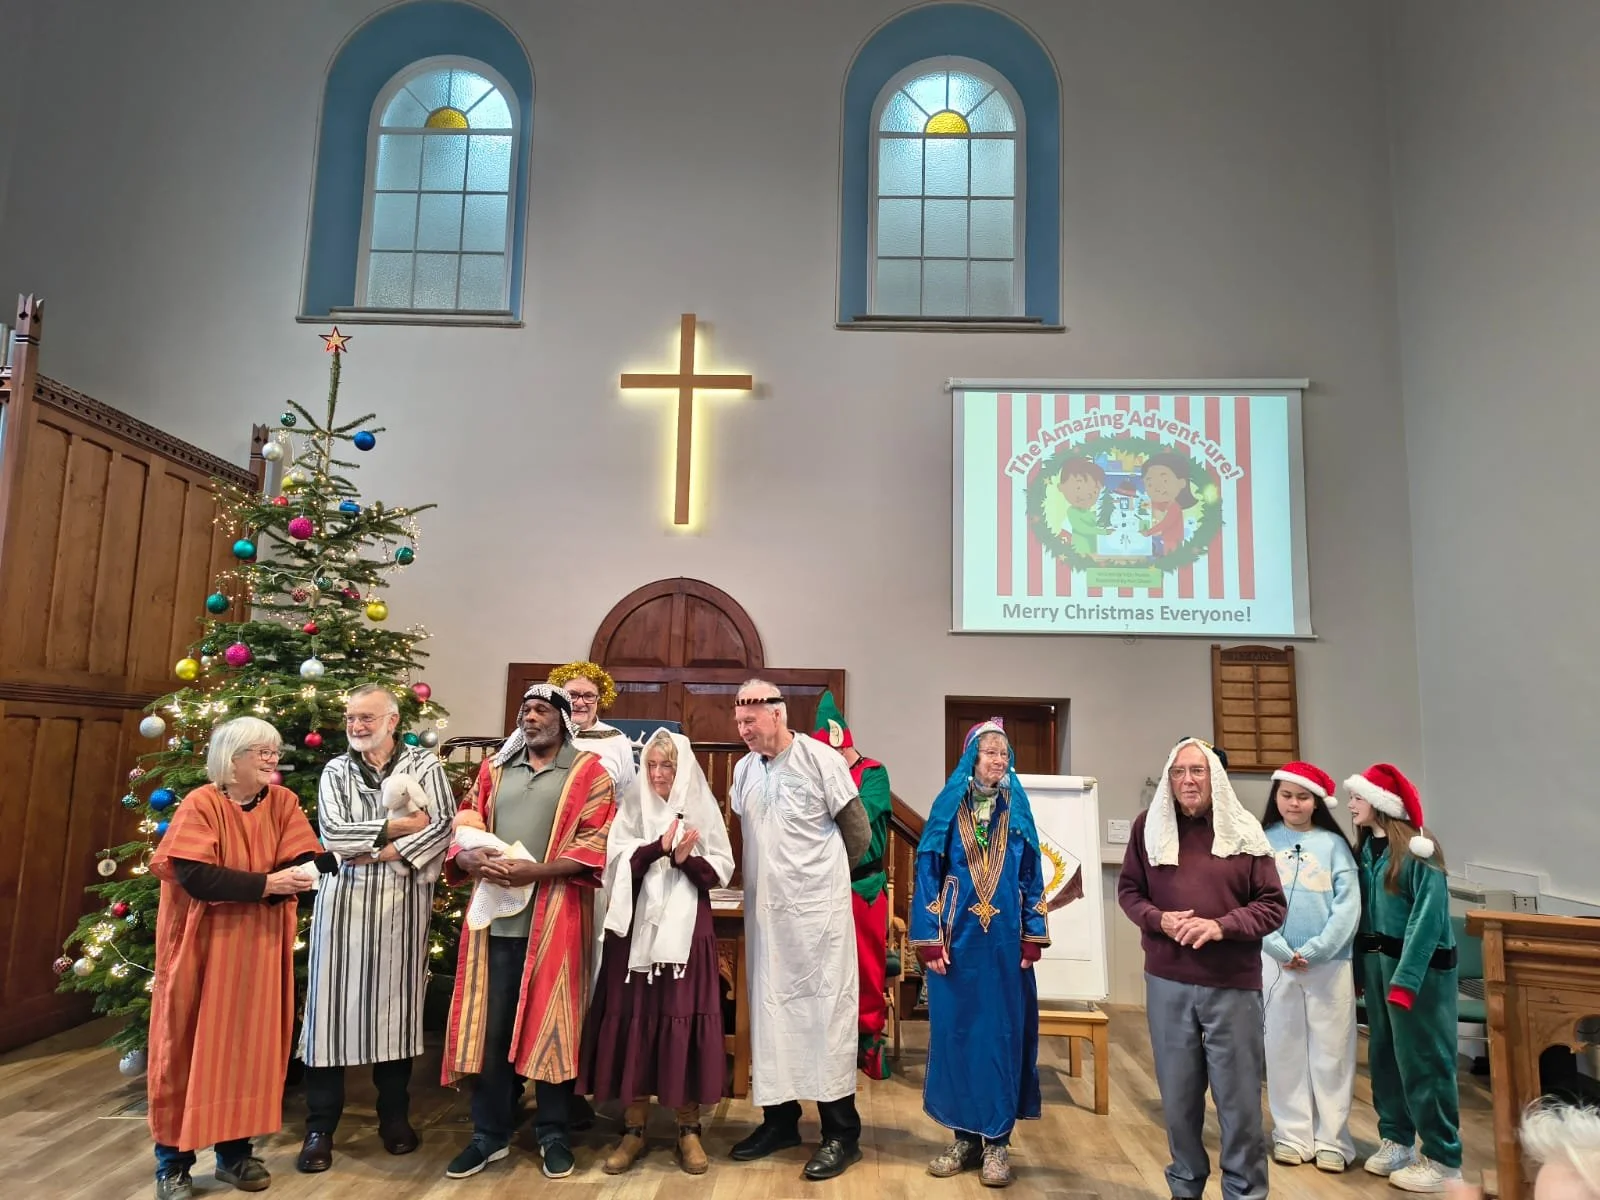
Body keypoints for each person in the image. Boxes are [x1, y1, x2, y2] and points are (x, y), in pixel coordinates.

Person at [439, 684, 616, 1181]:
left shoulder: (589, 774)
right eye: (524, 710)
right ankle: (489, 1134)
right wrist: (469, 856)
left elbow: (595, 841)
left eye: (541, 710)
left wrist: (532, 873)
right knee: (492, 1030)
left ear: (562, 719)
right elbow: (466, 820)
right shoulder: (494, 769)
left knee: (554, 1023)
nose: (530, 717)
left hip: (557, 918)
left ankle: (554, 1131)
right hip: (494, 921)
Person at [147, 717, 326, 1200]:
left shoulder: (284, 802)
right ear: (232, 759)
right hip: (201, 949)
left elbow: (299, 860)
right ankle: (173, 1164)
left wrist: (325, 863)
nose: (272, 759)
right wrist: (268, 884)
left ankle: (234, 1155)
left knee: (247, 1050)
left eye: (273, 751)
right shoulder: (201, 804)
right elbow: (197, 878)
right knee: (184, 1046)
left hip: (258, 950)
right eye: (261, 752)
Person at [1116, 736, 1286, 1200]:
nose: (1188, 781)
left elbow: (1272, 907)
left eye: (1198, 771)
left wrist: (1221, 926)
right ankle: (1185, 1188)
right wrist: (1160, 919)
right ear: (1168, 780)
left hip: (1231, 985)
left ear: (1216, 778)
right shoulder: (1146, 828)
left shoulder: (1246, 830)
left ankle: (1244, 1192)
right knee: (1178, 1099)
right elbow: (1130, 891)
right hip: (1168, 981)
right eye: (1178, 772)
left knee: (1240, 1104)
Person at [296, 684, 457, 1172]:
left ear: (392, 721)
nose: (357, 726)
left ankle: (394, 1118)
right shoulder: (335, 770)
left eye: (367, 717)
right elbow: (334, 834)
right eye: (350, 718)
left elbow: (443, 824)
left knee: (394, 1014)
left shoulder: (425, 766)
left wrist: (380, 850)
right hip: (342, 907)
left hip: (402, 910)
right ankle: (320, 1127)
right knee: (328, 1016)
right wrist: (397, 829)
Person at [728, 680, 871, 1181]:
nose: (743, 730)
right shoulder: (745, 769)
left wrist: (819, 883)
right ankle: (780, 1121)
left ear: (778, 714)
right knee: (772, 1018)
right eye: (739, 722)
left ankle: (840, 1134)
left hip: (817, 920)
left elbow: (859, 831)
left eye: (752, 721)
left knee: (825, 1016)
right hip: (768, 921)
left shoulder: (819, 759)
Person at [578, 728, 734, 1176]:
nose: (659, 773)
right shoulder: (632, 807)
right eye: (652, 765)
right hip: (634, 936)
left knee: (681, 1019)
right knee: (635, 1022)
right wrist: (657, 847)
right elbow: (615, 864)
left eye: (667, 765)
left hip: (686, 936)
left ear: (682, 768)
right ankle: (634, 1127)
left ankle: (688, 1128)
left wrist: (686, 858)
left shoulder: (702, 808)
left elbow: (717, 872)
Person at [910, 719, 1049, 1188]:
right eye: (989, 752)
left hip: (1006, 948)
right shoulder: (948, 807)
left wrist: (1034, 932)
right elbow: (927, 870)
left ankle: (997, 1145)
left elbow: (1032, 875)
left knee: (1002, 1038)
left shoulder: (1019, 811)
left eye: (1004, 754)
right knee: (957, 1037)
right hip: (957, 944)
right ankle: (964, 1139)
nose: (998, 760)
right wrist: (929, 938)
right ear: (971, 757)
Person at [1346, 762, 1462, 1192]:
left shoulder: (1419, 851)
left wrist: (1406, 981)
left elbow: (1427, 923)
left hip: (1418, 975)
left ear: (1379, 804)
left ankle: (1444, 1158)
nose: (1351, 804)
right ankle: (1397, 1139)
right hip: (1378, 970)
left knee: (1425, 1062)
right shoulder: (1365, 852)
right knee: (1385, 1056)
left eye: (1358, 797)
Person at [1257, 761, 1359, 1173]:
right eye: (1286, 795)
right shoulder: (1260, 841)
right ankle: (1291, 1134)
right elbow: (1248, 900)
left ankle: (1334, 1138)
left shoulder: (1334, 845)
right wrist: (1279, 948)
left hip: (1330, 964)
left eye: (1302, 796)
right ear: (1276, 798)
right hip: (1275, 961)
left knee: (1332, 1050)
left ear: (1317, 802)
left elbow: (1348, 907)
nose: (1294, 803)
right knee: (1282, 1048)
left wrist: (1317, 950)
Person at [807, 690, 895, 1079]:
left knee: (868, 967)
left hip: (864, 886)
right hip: (822, 888)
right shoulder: (818, 774)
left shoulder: (873, 773)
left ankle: (870, 1041)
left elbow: (856, 811)